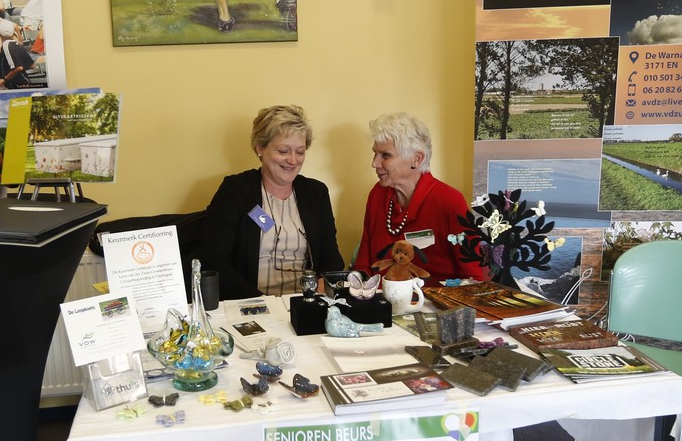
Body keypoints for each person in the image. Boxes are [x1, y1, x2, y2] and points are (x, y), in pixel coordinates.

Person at [199, 105, 342, 298]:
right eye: (283, 151)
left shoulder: (316, 193)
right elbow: (215, 260)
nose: (293, 160)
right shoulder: (236, 190)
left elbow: (331, 257)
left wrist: (321, 286)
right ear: (260, 148)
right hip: (251, 302)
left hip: (304, 301)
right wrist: (260, 302)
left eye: (300, 152)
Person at [351, 112, 489, 286]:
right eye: (375, 153)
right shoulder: (377, 194)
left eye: (385, 155)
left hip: (433, 300)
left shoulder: (448, 201)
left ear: (416, 159)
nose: (375, 163)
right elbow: (364, 264)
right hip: (381, 298)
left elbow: (472, 277)